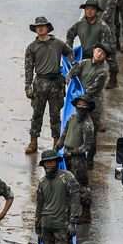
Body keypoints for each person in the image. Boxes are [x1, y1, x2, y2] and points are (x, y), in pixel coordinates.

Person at [24, 16, 75, 154]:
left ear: (47, 28)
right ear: (35, 29)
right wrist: (28, 86)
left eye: (43, 26)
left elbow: (70, 52)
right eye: (38, 26)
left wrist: (69, 68)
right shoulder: (31, 47)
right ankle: (33, 142)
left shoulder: (58, 43)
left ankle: (56, 142)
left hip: (56, 83)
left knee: (55, 115)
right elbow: (28, 68)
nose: (41, 28)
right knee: (37, 114)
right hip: (40, 83)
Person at [35, 148, 81, 244]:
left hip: (62, 226)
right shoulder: (42, 182)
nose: (49, 164)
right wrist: (38, 230)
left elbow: (76, 197)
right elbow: (39, 206)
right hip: (46, 226)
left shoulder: (67, 176)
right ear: (43, 164)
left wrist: (73, 222)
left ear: (57, 162)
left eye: (52, 161)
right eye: (46, 162)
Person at [57, 95, 95, 221]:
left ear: (88, 107)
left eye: (84, 105)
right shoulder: (72, 118)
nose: (81, 107)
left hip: (78, 159)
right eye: (79, 104)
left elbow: (87, 146)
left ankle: (86, 213)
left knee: (81, 185)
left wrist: (73, 152)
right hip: (66, 154)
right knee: (67, 184)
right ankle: (69, 211)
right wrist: (57, 147)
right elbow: (64, 134)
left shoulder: (88, 124)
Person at [68, 44, 109, 142]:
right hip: (79, 101)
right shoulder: (83, 63)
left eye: (103, 54)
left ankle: (90, 155)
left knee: (90, 131)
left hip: (92, 104)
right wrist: (71, 88)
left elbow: (93, 89)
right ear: (94, 50)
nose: (99, 54)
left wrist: (79, 96)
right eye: (98, 51)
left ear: (105, 57)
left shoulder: (102, 71)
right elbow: (71, 75)